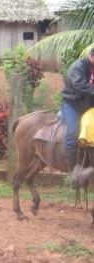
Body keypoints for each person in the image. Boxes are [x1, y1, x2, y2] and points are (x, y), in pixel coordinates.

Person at [60, 47, 94, 178]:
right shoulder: (77, 68)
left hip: (88, 105)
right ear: (91, 56)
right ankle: (72, 170)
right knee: (72, 133)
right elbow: (81, 88)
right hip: (72, 105)